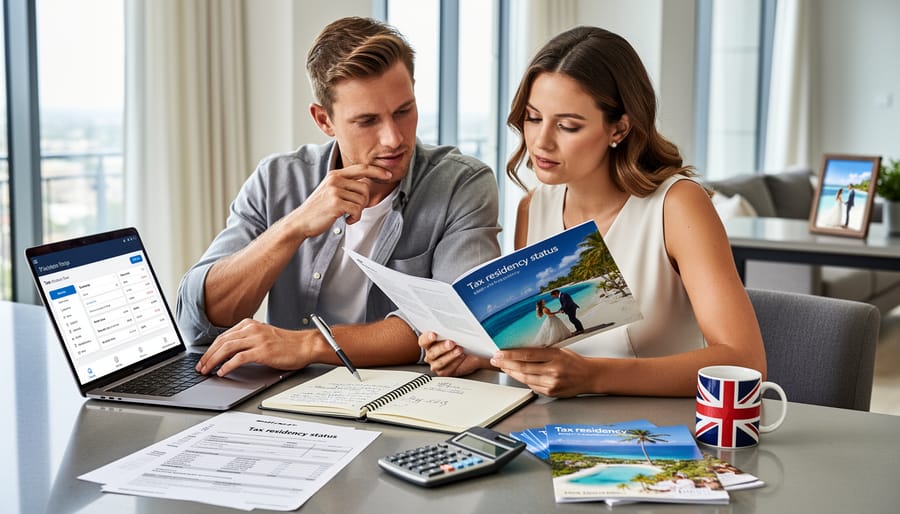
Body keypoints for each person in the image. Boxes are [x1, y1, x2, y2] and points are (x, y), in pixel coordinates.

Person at [418, 26, 765, 398]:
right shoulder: (533, 207)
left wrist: (594, 377)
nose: (540, 141)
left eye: (568, 126)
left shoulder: (678, 206)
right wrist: (482, 357)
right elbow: (550, 353)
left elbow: (745, 362)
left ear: (619, 128)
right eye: (533, 118)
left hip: (660, 434)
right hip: (558, 429)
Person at [177, 17, 501, 378]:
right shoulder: (277, 179)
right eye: (367, 121)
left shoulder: (462, 183)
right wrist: (294, 227)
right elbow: (201, 318)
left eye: (403, 111)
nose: (393, 138)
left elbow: (459, 319)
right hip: (282, 398)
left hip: (403, 396)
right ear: (324, 120)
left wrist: (307, 344)